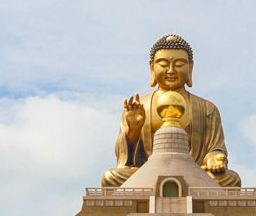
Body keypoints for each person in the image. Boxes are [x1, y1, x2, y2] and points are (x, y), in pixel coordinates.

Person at [102, 35, 240, 187]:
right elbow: (125, 160)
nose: (171, 70)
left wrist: (214, 158)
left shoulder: (207, 109)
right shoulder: (138, 106)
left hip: (195, 175)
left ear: (190, 66)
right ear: (152, 66)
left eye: (180, 64)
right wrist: (134, 130)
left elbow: (215, 148)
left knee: (231, 180)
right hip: (148, 174)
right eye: (163, 64)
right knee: (111, 178)